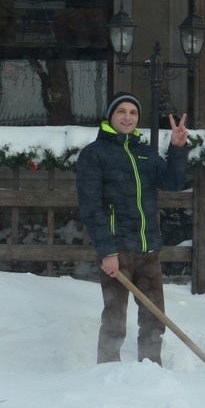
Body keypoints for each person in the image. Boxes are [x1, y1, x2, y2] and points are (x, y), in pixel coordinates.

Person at [76, 92, 190, 365]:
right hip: (117, 249)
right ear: (111, 116)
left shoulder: (145, 152)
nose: (128, 117)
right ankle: (107, 370)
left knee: (154, 318)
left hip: (148, 247)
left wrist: (176, 149)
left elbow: (173, 183)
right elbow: (90, 207)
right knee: (115, 318)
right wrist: (106, 251)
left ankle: (151, 371)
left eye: (133, 113)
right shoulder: (94, 154)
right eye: (121, 112)